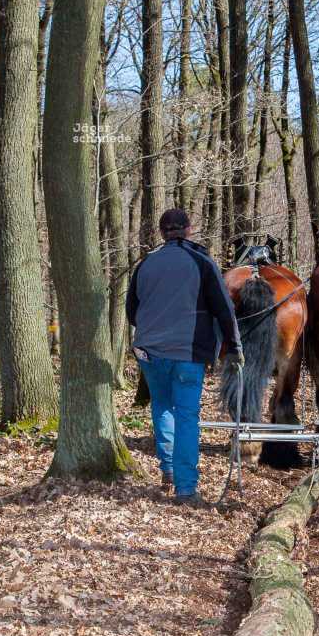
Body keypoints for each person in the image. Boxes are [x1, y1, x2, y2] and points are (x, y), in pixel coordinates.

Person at [126, 209, 243, 507]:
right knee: (187, 415)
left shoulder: (145, 264)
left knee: (162, 406)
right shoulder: (202, 262)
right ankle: (186, 488)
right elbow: (223, 308)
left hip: (149, 351)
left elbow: (131, 311)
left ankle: (167, 468)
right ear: (189, 230)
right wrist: (235, 345)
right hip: (187, 352)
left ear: (162, 232)